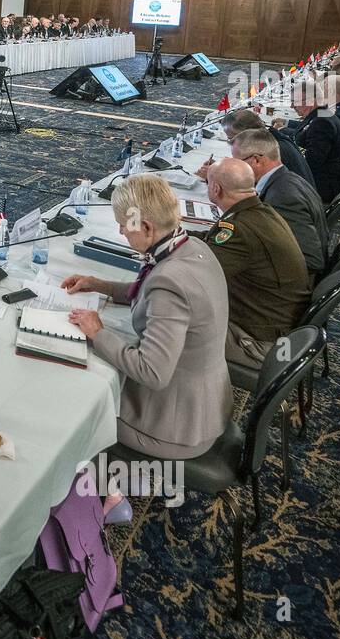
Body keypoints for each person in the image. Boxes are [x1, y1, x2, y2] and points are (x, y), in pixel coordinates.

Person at [63, 174, 232, 463]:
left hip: (174, 426)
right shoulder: (191, 246)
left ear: (146, 227)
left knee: (73, 405)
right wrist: (98, 284)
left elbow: (152, 373)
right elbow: (148, 291)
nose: (120, 231)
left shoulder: (170, 282)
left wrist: (97, 332)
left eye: (123, 225)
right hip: (204, 403)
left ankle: (93, 497)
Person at [201, 158, 312, 383]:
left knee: (168, 325)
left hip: (262, 344)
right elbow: (213, 247)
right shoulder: (260, 211)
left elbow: (198, 275)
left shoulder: (239, 229)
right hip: (282, 327)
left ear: (215, 189)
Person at [231, 128, 329, 279]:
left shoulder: (283, 197)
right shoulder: (287, 178)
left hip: (289, 287)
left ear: (256, 160)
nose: (235, 168)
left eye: (237, 162)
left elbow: (310, 261)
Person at [288, 78, 340, 202]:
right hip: (321, 178)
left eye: (295, 102)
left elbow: (311, 162)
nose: (292, 106)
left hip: (320, 186)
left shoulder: (322, 122)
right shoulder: (321, 114)